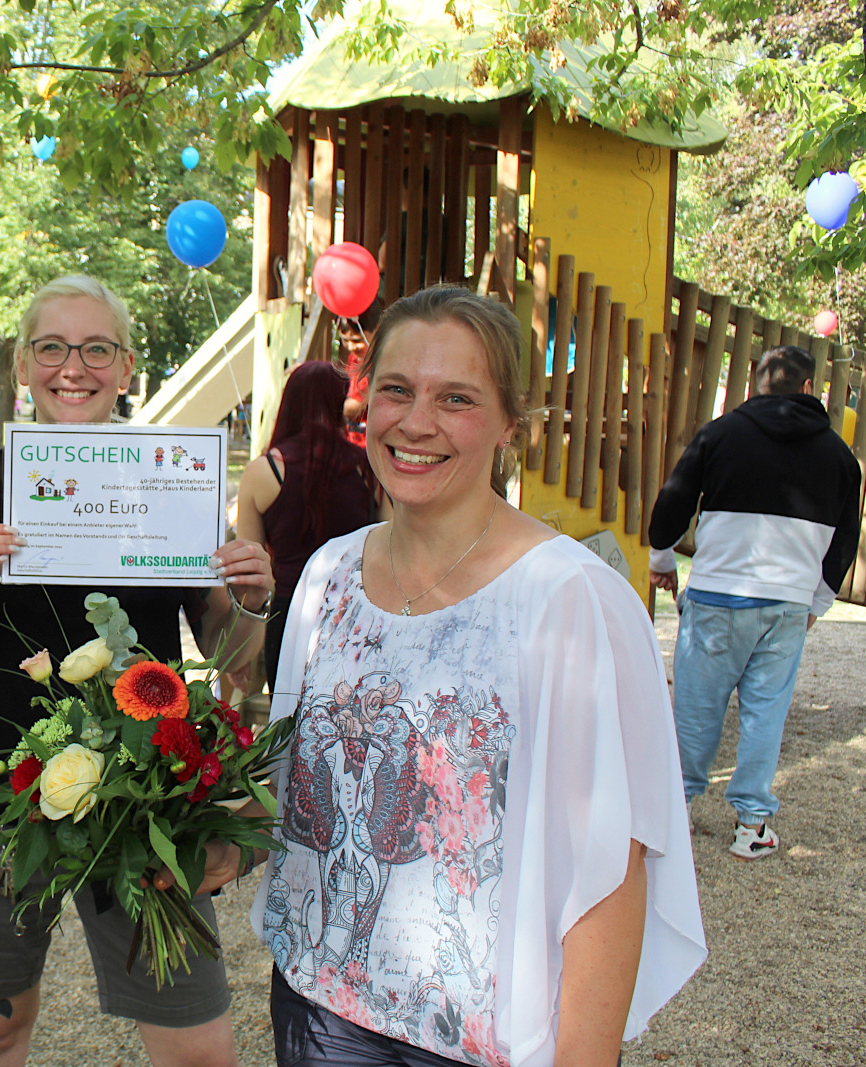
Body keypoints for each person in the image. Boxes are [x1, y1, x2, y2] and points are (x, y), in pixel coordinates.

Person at [199, 287, 704, 1067]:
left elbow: (611, 862)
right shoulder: (331, 575)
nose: (417, 421)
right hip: (319, 1006)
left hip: (481, 1035)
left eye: (456, 398)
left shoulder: (569, 600)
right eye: (397, 389)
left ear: (511, 420)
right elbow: (297, 777)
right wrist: (222, 846)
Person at [0, 275, 275, 1067]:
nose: (71, 367)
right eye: (51, 347)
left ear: (126, 365)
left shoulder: (169, 476)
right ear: (21, 363)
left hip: (145, 793)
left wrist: (250, 601)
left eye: (95, 349)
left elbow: (231, 659)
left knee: (200, 1046)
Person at [648, 344, 861, 860]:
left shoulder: (719, 435)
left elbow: (675, 499)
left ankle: (676, 811)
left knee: (697, 709)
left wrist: (660, 558)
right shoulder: (838, 456)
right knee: (767, 711)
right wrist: (819, 600)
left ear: (754, 383)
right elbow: (846, 538)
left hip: (720, 591)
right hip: (787, 603)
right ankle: (753, 824)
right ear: (810, 389)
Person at [233, 361, 379, 692]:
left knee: (286, 730)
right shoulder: (367, 468)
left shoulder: (264, 470)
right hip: (356, 619)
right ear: (338, 403)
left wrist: (240, 653)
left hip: (288, 619)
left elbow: (250, 572)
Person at [335, 299, 383, 447]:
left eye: (356, 340)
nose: (350, 347)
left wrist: (333, 408)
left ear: (378, 330)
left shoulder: (377, 364)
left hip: (369, 442)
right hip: (354, 437)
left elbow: (354, 408)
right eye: (345, 340)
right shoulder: (355, 358)